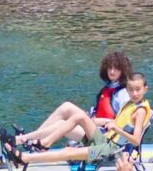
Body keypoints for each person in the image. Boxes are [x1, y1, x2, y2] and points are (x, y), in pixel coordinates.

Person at [7, 69, 153, 171]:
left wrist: (116, 129)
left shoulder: (140, 111)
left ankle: (25, 158)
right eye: (130, 89)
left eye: (138, 89)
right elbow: (116, 122)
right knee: (79, 117)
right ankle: (44, 143)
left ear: (145, 89)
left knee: (70, 151)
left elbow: (136, 141)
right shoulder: (129, 104)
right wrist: (93, 122)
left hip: (112, 150)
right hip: (105, 140)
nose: (134, 93)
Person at [9, 50, 137, 152]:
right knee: (66, 107)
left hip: (104, 137)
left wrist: (98, 121)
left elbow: (124, 123)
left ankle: (21, 140)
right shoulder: (109, 88)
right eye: (109, 68)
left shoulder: (123, 94)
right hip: (94, 129)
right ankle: (32, 140)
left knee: (62, 124)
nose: (112, 71)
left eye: (116, 68)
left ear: (123, 71)